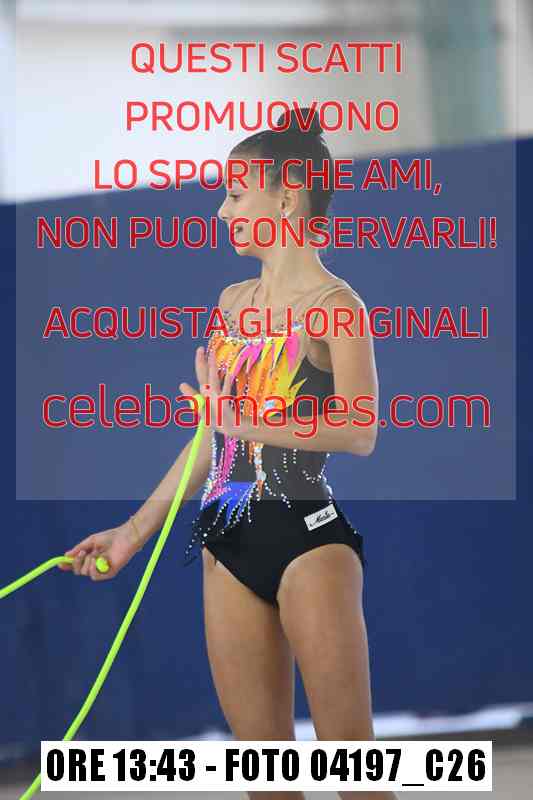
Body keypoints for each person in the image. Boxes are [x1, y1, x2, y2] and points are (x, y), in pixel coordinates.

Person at [60, 109, 396, 800]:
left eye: (236, 194)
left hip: (308, 545)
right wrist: (131, 533)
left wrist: (241, 419)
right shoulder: (233, 303)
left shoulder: (337, 307)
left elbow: (359, 429)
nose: (222, 211)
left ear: (286, 198)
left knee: (356, 779)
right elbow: (212, 442)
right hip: (226, 545)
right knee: (266, 784)